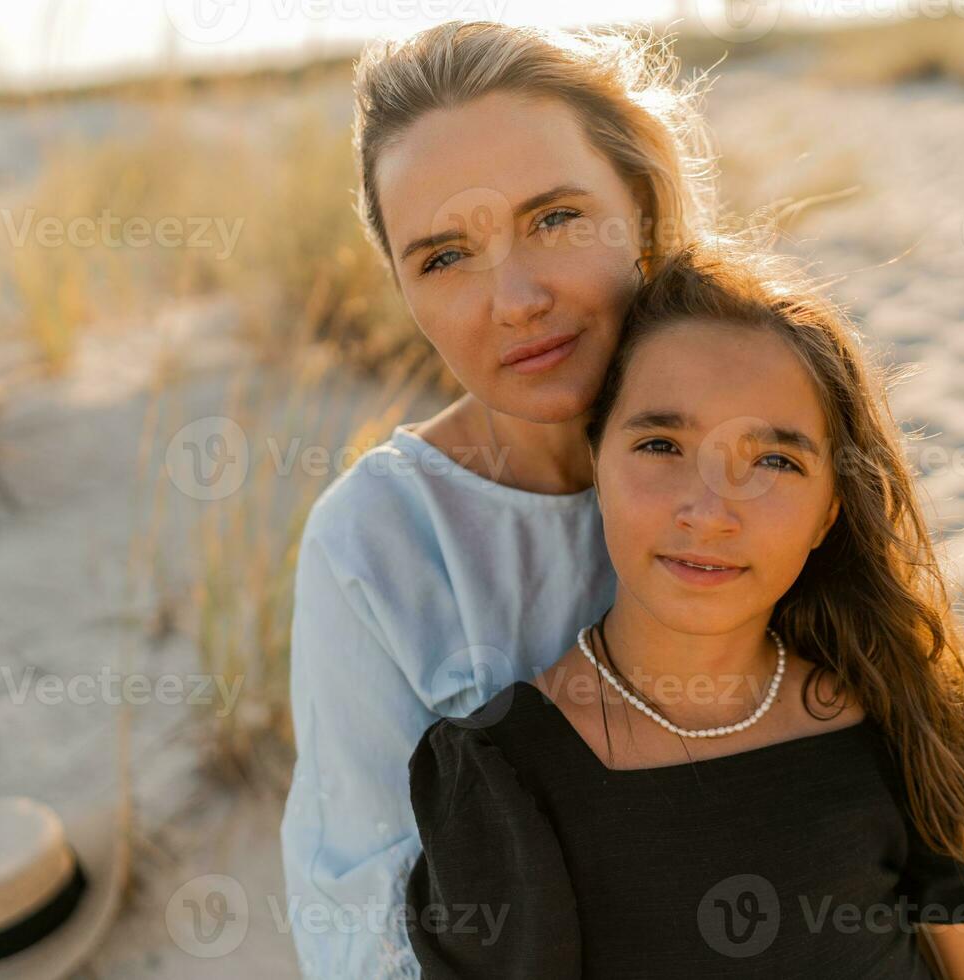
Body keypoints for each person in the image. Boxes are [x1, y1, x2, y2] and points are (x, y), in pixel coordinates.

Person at [404, 241, 964, 978]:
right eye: (663, 444)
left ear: (831, 509)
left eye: (773, 462)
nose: (710, 512)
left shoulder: (903, 715)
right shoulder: (505, 778)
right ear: (596, 461)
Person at [279, 20, 719, 978]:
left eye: (554, 218)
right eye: (444, 258)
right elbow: (363, 939)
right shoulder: (376, 546)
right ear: (401, 288)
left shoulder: (768, 428)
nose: (515, 298)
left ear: (638, 204)